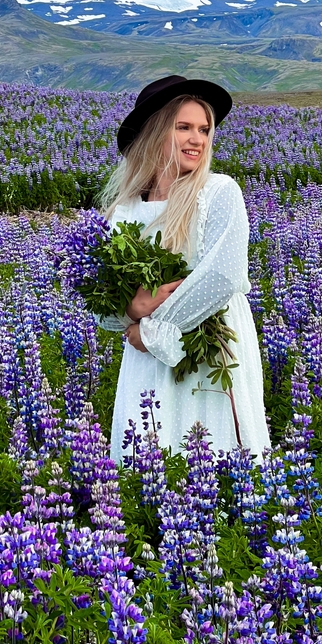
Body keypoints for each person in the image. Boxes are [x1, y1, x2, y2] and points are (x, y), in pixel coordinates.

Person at [98, 74, 270, 462]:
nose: (198, 139)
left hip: (212, 344)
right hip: (147, 351)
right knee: (149, 443)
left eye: (204, 129)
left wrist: (153, 329)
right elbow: (103, 292)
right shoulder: (124, 207)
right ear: (156, 132)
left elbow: (222, 276)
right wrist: (131, 310)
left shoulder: (218, 191)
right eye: (184, 127)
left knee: (215, 444)